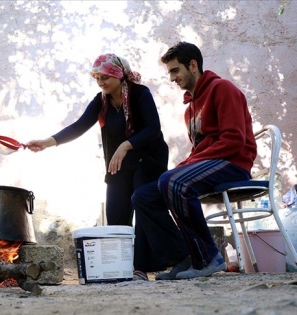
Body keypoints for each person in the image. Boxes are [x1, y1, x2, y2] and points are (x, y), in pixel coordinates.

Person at [25, 53, 169, 280]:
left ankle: (141, 267)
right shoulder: (101, 100)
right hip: (118, 164)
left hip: (148, 160)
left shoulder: (140, 94)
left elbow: (153, 129)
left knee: (141, 207)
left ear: (119, 76)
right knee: (116, 212)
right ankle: (123, 266)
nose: (101, 83)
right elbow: (80, 125)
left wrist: (125, 145)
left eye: (105, 78)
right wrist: (47, 142)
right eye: (97, 79)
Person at [132, 41, 257, 280]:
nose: (172, 78)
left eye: (175, 70)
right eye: (169, 72)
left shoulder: (223, 89)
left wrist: (186, 166)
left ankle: (208, 258)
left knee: (174, 181)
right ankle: (183, 257)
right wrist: (185, 164)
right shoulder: (190, 109)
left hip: (234, 164)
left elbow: (233, 141)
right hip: (211, 166)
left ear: (193, 65)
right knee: (144, 196)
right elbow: (201, 149)